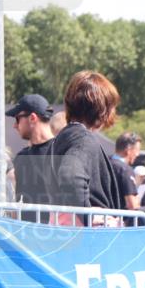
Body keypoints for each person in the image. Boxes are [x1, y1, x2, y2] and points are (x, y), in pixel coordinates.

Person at [47, 71, 122, 214]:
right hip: (90, 232)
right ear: (102, 108)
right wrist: (88, 217)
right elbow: (70, 176)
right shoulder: (83, 139)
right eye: (111, 106)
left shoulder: (65, 137)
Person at [8, 94, 55, 216]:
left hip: (54, 232)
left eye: (17, 119)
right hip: (24, 232)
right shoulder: (21, 158)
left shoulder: (62, 152)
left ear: (33, 118)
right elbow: (18, 202)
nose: (14, 125)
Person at [111, 132, 142, 210]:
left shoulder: (104, 163)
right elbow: (132, 205)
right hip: (119, 219)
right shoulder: (125, 170)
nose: (138, 154)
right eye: (137, 150)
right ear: (128, 150)